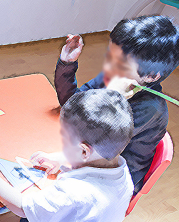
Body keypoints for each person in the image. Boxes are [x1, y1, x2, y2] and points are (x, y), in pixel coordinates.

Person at [0, 89, 134, 222]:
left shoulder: (73, 193)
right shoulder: (122, 171)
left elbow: (22, 206)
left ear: (83, 152)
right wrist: (61, 158)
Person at [54, 15, 179, 193]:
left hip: (112, 184)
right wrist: (67, 64)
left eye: (121, 63)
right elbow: (71, 106)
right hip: (89, 159)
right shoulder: (114, 76)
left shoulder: (150, 110)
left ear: (151, 76)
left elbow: (95, 139)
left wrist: (112, 99)